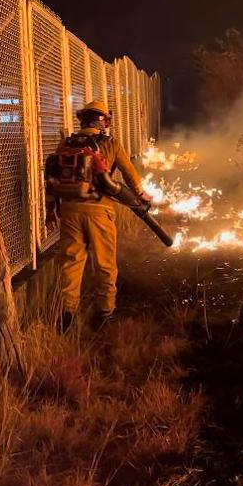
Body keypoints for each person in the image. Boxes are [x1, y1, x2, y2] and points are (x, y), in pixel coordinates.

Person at [44, 99, 149, 331]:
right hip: (100, 211)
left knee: (71, 262)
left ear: (82, 119)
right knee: (104, 263)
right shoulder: (110, 143)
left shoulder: (66, 144)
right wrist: (141, 195)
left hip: (70, 211)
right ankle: (104, 312)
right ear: (104, 121)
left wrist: (50, 210)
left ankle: (67, 311)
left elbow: (52, 177)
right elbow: (129, 174)